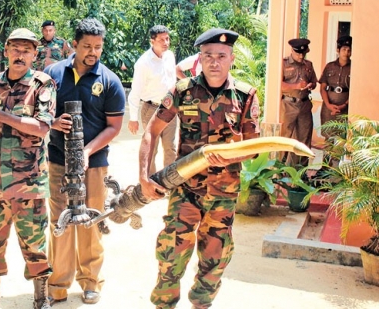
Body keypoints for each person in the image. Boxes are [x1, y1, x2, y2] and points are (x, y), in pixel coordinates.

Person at [139, 28, 260, 309]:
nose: (214, 62)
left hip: (223, 193)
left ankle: (201, 304)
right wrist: (144, 176)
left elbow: (254, 146)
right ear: (200, 59)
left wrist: (229, 158)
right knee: (171, 253)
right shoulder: (183, 91)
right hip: (186, 188)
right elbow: (151, 131)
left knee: (215, 258)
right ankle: (164, 304)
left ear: (231, 59)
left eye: (221, 56)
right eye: (208, 56)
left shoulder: (245, 96)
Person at [0, 28, 57, 309]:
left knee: (34, 240)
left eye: (27, 50)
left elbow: (42, 128)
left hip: (29, 180)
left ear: (34, 54)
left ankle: (40, 296)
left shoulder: (43, 85)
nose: (20, 55)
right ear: (6, 51)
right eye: (15, 49)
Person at [44, 18, 126, 306]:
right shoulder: (52, 73)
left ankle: (91, 282)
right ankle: (58, 284)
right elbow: (38, 113)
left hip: (94, 163)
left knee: (91, 219)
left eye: (98, 47)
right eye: (87, 46)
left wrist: (87, 150)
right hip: (57, 161)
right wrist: (53, 123)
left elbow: (114, 127)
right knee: (60, 221)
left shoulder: (110, 81)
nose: (93, 52)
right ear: (74, 44)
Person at [127, 25, 179, 174]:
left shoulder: (170, 56)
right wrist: (133, 118)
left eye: (167, 39)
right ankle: (151, 181)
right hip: (151, 108)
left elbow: (172, 82)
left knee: (170, 146)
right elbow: (135, 92)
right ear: (152, 41)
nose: (166, 42)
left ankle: (170, 180)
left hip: (170, 107)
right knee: (152, 146)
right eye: (161, 39)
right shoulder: (143, 63)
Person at [281, 38, 318, 167]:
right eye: (298, 53)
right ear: (292, 50)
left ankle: (300, 173)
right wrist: (296, 86)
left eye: (303, 53)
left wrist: (310, 85)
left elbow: (314, 82)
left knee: (304, 139)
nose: (301, 56)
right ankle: (279, 171)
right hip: (288, 105)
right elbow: (278, 85)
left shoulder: (308, 64)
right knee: (284, 138)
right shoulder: (284, 63)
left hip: (304, 105)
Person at [319, 35, 352, 129]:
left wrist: (344, 105)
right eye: (344, 49)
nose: (346, 53)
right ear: (338, 50)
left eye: (349, 50)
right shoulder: (330, 66)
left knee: (342, 137)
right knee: (328, 137)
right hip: (328, 108)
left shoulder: (353, 68)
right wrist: (328, 105)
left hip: (345, 109)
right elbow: (323, 88)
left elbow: (355, 92)